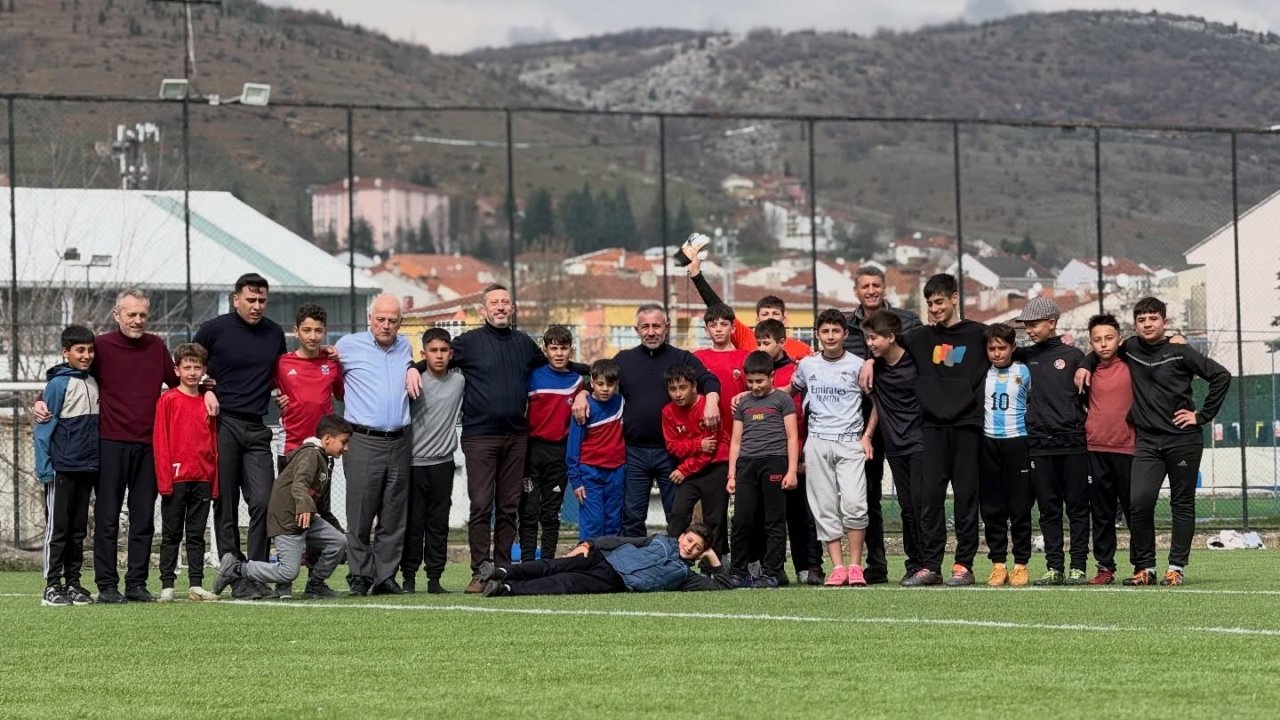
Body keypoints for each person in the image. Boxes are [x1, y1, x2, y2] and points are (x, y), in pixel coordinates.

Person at [34, 290, 182, 603]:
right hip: (109, 444)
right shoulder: (100, 346)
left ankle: (137, 584)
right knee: (107, 518)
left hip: (148, 446)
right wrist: (39, 400)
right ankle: (107, 585)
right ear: (117, 315)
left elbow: (178, 385)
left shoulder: (156, 346)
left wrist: (207, 392)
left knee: (143, 518)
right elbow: (68, 374)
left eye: (142, 315)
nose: (137, 320)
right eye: (131, 314)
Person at [441, 284, 587, 593]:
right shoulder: (467, 343)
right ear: (483, 310)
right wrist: (413, 370)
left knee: (509, 507)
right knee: (482, 505)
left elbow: (559, 365)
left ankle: (503, 569)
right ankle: (480, 572)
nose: (500, 307)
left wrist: (588, 384)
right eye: (494, 302)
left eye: (505, 302)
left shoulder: (523, 344)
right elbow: (436, 360)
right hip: (480, 437)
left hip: (517, 439)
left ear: (513, 309)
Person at [1078, 297, 1231, 586]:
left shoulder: (1180, 351)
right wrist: (1085, 364)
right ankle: (1146, 568)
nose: (1147, 324)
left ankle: (1176, 568)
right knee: (1139, 502)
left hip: (1182, 440)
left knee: (1181, 503)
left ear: (1164, 322)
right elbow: (1101, 349)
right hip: (1147, 441)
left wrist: (1202, 416)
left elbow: (1221, 376)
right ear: (1135, 324)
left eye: (1153, 319)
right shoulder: (1131, 348)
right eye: (1141, 320)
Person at [865, 273, 989, 587]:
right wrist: (868, 362)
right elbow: (886, 347)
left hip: (967, 426)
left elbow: (1011, 349)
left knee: (965, 497)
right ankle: (930, 566)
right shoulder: (919, 337)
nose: (934, 309)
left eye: (939, 302)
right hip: (931, 428)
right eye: (930, 303)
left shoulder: (978, 334)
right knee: (929, 500)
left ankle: (963, 565)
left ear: (954, 299)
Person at [581, 304, 720, 538]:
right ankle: (635, 560)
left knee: (676, 514)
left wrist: (712, 401)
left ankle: (677, 558)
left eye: (657, 326)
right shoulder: (624, 359)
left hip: (671, 452)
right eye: (645, 327)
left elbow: (708, 379)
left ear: (667, 327)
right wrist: (582, 395)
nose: (651, 332)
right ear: (636, 330)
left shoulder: (682, 358)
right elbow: (598, 380)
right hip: (633, 451)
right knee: (632, 516)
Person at [194, 273, 287, 595]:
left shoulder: (274, 333)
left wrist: (284, 393)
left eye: (262, 300)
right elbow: (189, 367)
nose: (257, 306)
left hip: (257, 427)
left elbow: (280, 373)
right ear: (236, 299)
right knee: (226, 502)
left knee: (264, 500)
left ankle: (255, 572)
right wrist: (205, 389)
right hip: (223, 424)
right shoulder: (213, 330)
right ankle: (235, 576)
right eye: (251, 299)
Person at [213, 415, 352, 601]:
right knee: (288, 573)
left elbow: (318, 500)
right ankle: (237, 568)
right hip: (287, 519)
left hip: (306, 518)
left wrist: (334, 525)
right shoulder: (310, 455)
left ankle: (316, 585)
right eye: (344, 442)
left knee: (338, 541)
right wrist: (304, 505)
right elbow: (299, 484)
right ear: (327, 439)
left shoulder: (323, 458)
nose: (346, 448)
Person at [843, 265, 923, 585]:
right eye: (865, 286)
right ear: (856, 291)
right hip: (864, 422)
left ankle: (917, 562)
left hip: (904, 420)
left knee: (912, 499)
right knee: (868, 496)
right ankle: (876, 564)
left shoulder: (908, 321)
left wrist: (872, 359)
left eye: (876, 285)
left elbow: (915, 358)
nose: (871, 291)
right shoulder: (846, 326)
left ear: (884, 288)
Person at [335, 294, 413, 597]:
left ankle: (385, 576)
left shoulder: (405, 347)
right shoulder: (347, 346)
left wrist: (412, 368)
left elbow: (414, 365)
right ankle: (359, 575)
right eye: (380, 319)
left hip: (400, 440)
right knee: (360, 513)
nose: (386, 325)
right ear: (370, 318)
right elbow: (323, 372)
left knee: (393, 514)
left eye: (392, 320)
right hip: (362, 440)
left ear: (400, 322)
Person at [789, 309, 872, 587]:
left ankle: (855, 565)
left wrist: (867, 435)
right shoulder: (807, 365)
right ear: (817, 334)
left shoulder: (858, 365)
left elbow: (878, 404)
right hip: (817, 441)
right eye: (825, 331)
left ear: (845, 334)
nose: (831, 336)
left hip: (850, 441)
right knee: (824, 506)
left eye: (836, 331)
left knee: (855, 504)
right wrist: (749, 395)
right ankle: (838, 567)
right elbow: (789, 391)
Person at [1014, 297, 1091, 586]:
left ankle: (1078, 566)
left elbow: (1086, 395)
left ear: (1051, 323)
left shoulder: (1074, 356)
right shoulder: (1024, 357)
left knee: (1078, 508)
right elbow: (996, 342)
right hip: (1039, 445)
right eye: (1026, 326)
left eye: (1034, 325)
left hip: (1073, 443)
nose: (1029, 331)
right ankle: (1054, 567)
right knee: (1048, 509)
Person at [34, 325, 99, 607]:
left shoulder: (94, 381)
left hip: (87, 468)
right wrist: (45, 468)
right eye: (79, 350)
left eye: (90, 350)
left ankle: (73, 582)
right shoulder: (58, 385)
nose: (86, 355)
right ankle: (52, 585)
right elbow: (43, 430)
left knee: (78, 530)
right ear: (66, 352)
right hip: (61, 469)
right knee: (58, 529)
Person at [755, 318, 824, 585]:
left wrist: (804, 452)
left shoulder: (799, 369)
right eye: (758, 343)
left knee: (803, 514)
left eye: (766, 343)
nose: (761, 348)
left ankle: (807, 565)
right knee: (769, 514)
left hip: (799, 451)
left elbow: (806, 411)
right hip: (767, 453)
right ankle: (772, 566)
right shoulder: (753, 370)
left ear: (782, 342)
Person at [860, 310, 926, 585]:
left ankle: (929, 563)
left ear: (891, 337)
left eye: (874, 338)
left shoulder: (917, 361)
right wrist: (867, 435)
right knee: (907, 507)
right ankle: (914, 564)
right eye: (867, 338)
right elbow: (879, 404)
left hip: (920, 444)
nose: (870, 343)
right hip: (895, 447)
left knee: (922, 505)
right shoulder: (875, 368)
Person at [477, 524, 729, 596]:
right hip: (601, 558)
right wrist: (590, 544)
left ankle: (504, 588)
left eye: (697, 548)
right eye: (689, 540)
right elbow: (621, 540)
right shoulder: (659, 540)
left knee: (562, 583)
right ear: (682, 535)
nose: (689, 547)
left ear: (699, 553)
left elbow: (721, 585)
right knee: (553, 565)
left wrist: (712, 556)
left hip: (614, 582)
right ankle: (501, 571)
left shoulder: (685, 576)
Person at [152, 343, 220, 603]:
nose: (192, 372)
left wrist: (214, 480)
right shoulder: (168, 400)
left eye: (197, 367)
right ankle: (167, 585)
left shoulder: (208, 400)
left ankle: (196, 584)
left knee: (196, 534)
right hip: (176, 478)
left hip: (202, 477)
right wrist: (165, 480)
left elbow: (213, 442)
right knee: (171, 534)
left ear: (204, 370)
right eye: (187, 367)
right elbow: (161, 440)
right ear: (177, 370)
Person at [727, 350, 799, 587]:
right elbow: (736, 441)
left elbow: (792, 437)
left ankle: (773, 572)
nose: (755, 386)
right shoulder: (743, 403)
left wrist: (791, 470)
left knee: (774, 520)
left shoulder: (782, 400)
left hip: (775, 462)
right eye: (750, 381)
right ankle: (738, 571)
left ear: (772, 376)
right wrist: (731, 474)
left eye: (760, 381)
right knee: (742, 520)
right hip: (747, 465)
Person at [401, 327, 464, 594]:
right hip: (413, 464)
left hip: (443, 464)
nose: (439, 356)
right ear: (423, 353)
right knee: (413, 524)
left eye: (444, 350)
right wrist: (411, 368)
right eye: (433, 350)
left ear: (451, 353)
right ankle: (408, 577)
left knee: (438, 524)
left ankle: (435, 578)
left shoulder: (460, 381)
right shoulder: (413, 380)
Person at [978, 323, 1033, 588]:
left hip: (1017, 441)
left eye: (1002, 348)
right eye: (992, 348)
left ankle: (1021, 564)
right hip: (988, 443)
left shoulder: (1024, 371)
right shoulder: (981, 372)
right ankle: (998, 564)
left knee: (1020, 507)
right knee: (992, 507)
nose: (997, 353)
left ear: (1013, 348)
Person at [522, 324, 583, 562]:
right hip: (531, 452)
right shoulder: (532, 376)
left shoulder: (578, 382)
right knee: (528, 512)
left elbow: (601, 380)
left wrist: (585, 392)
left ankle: (547, 564)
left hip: (559, 454)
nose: (559, 353)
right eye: (554, 348)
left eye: (563, 348)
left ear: (571, 350)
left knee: (551, 513)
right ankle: (527, 563)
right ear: (545, 349)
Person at [684, 249, 812, 361]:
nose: (770, 317)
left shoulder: (802, 349)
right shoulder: (746, 337)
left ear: (784, 319)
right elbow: (719, 308)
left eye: (775, 313)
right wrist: (696, 275)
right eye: (765, 314)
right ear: (757, 320)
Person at [1083, 314, 1135, 586]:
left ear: (1120, 340)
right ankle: (1105, 567)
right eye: (1097, 340)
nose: (1103, 344)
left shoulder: (1132, 363)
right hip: (1095, 449)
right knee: (1101, 513)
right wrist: (1085, 363)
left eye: (1109, 338)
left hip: (1129, 448)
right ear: (1090, 343)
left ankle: (1142, 565)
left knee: (1134, 511)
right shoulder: (1086, 371)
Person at [662, 363, 730, 556]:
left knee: (714, 518)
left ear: (693, 386)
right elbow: (672, 446)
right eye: (673, 389)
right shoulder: (668, 412)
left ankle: (714, 565)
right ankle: (670, 558)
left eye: (682, 387)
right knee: (678, 513)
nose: (678, 394)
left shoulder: (708, 407)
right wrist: (697, 444)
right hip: (689, 469)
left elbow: (711, 449)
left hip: (715, 465)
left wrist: (684, 469)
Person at [275, 303, 344, 471]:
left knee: (320, 490)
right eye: (306, 330)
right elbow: (258, 388)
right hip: (291, 447)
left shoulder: (332, 363)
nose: (312, 336)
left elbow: (341, 395)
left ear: (325, 331)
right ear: (296, 331)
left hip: (323, 446)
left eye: (318, 330)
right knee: (289, 490)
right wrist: (276, 400)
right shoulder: (282, 363)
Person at [567, 359, 626, 541]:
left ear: (616, 384)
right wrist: (576, 480)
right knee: (593, 522)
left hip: (617, 472)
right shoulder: (582, 408)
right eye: (600, 384)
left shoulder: (621, 402)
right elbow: (573, 446)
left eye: (610, 384)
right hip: (590, 473)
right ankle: (586, 557)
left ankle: (611, 558)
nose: (605, 389)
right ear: (591, 383)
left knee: (613, 522)